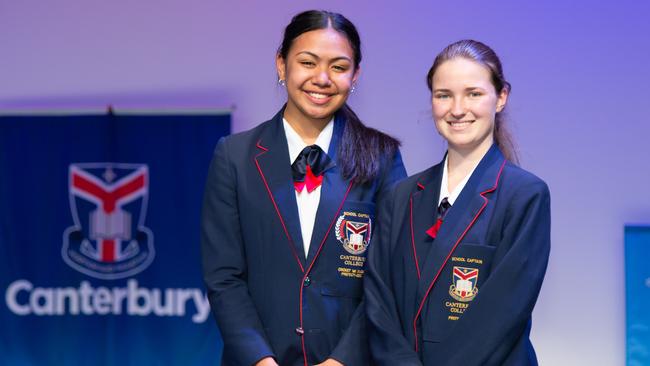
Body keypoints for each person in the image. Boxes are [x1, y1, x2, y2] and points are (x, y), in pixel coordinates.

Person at [201, 10, 406, 366]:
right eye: (307, 62)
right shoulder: (234, 156)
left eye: (339, 67)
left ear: (355, 75)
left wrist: (342, 360)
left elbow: (391, 275)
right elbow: (224, 277)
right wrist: (259, 359)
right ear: (282, 65)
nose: (322, 78)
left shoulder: (382, 158)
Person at [365, 39, 551, 365]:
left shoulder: (525, 196)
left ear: (501, 97)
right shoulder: (401, 196)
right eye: (443, 95)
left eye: (473, 93)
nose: (457, 109)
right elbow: (379, 301)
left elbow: (501, 315)